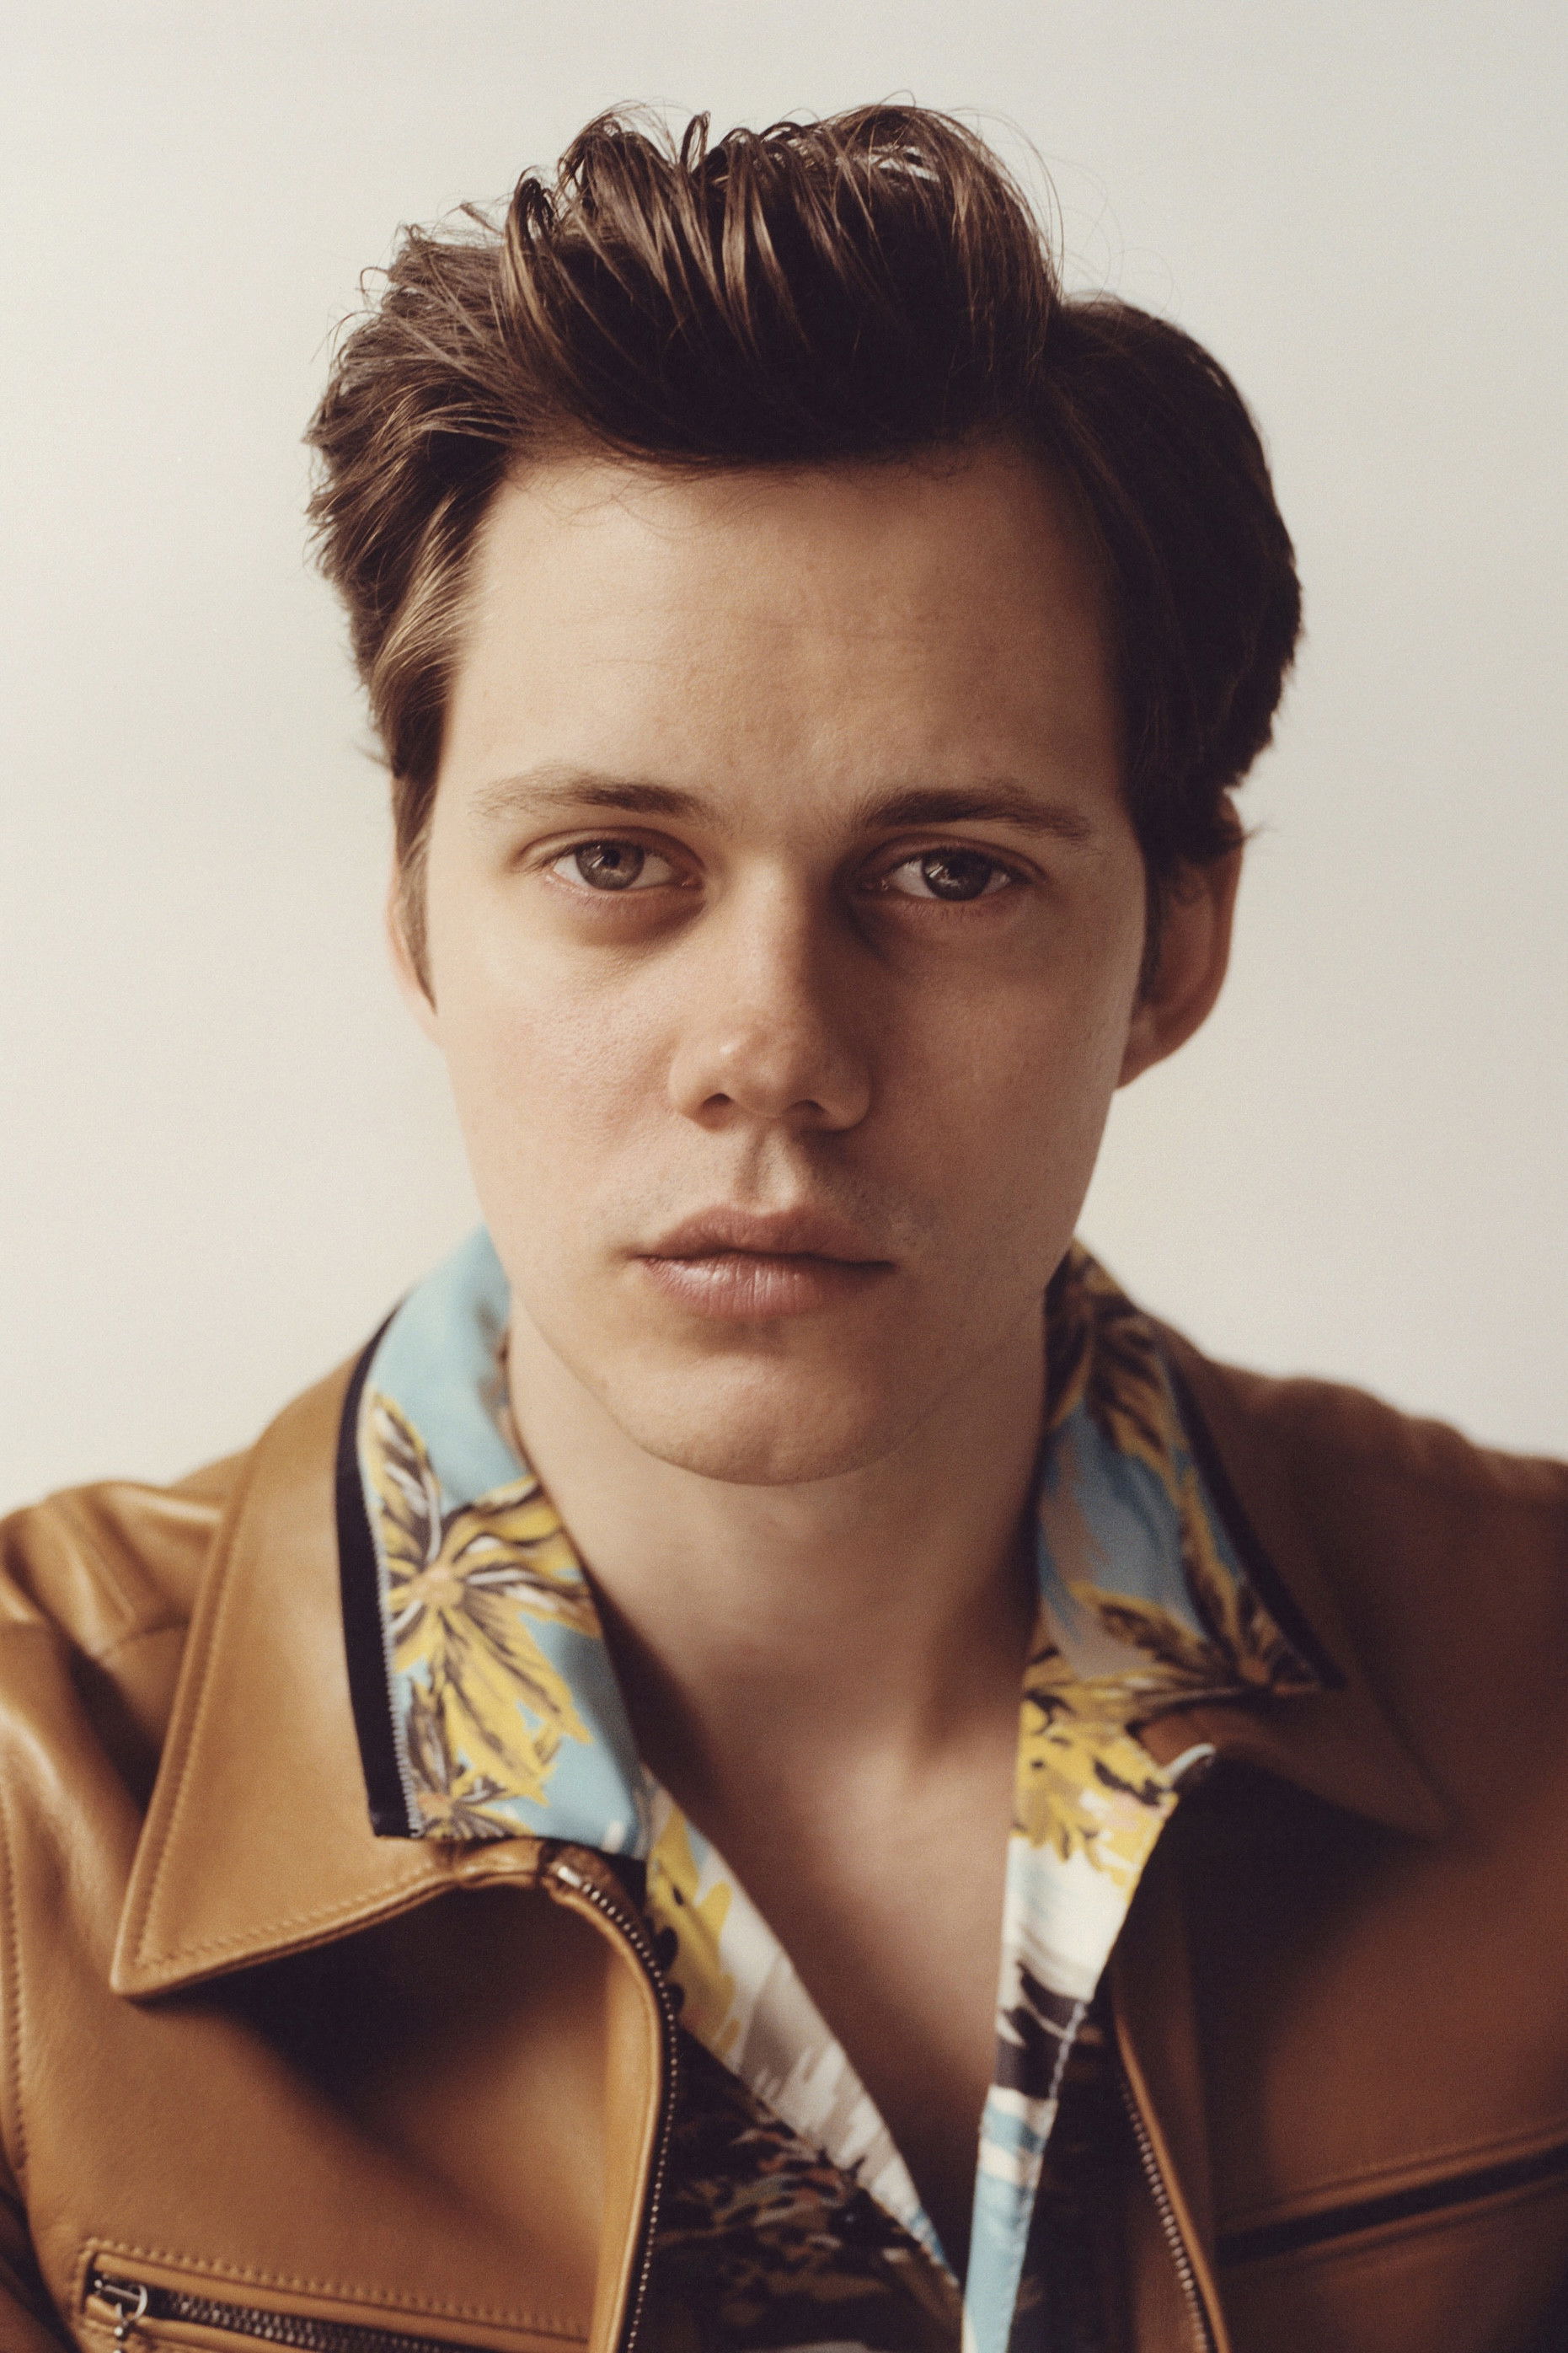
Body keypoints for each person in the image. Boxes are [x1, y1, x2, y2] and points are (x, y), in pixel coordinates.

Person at [1, 101, 1563, 2353]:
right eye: (613, 861)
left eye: (950, 873)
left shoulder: (1545, 1675)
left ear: (1176, 952)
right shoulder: (33, 1820)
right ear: (418, 910)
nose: (774, 1054)